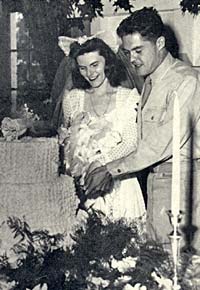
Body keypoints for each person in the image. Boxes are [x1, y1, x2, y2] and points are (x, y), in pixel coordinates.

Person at [85, 7, 200, 251]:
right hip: (157, 180)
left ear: (160, 43)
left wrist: (109, 169)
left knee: (177, 265)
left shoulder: (184, 81)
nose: (132, 58)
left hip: (182, 182)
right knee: (157, 262)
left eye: (138, 50)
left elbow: (158, 144)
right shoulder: (151, 79)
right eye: (127, 52)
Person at [60, 37, 146, 222]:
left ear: (107, 61)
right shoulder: (73, 99)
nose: (89, 74)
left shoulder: (128, 97)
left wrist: (100, 163)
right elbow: (67, 145)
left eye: (94, 65)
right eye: (83, 68)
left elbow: (131, 143)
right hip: (84, 190)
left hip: (121, 186)